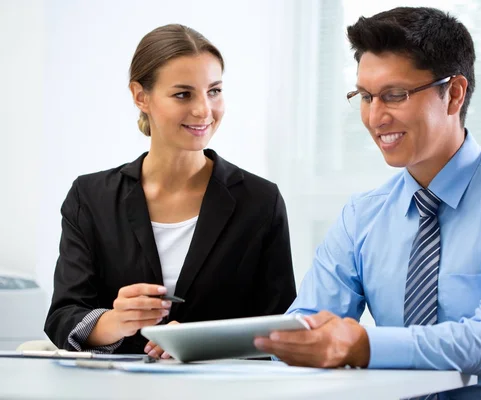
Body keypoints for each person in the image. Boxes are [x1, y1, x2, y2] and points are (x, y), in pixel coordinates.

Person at [254, 7, 481, 399]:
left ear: (454, 93)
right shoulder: (362, 215)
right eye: (366, 97)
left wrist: (363, 345)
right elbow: (307, 324)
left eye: (394, 95)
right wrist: (194, 344)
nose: (375, 117)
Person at [44, 24, 296, 358]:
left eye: (214, 91)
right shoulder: (90, 197)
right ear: (140, 96)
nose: (204, 110)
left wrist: (199, 341)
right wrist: (119, 322)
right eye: (183, 94)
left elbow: (280, 326)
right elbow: (63, 316)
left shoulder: (260, 201)